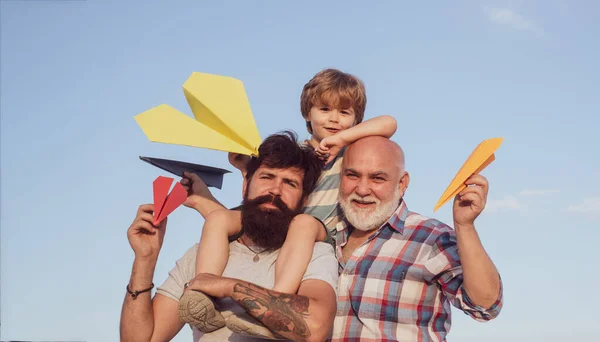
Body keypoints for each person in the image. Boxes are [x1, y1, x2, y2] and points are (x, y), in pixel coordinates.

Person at [179, 69, 397, 333]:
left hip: (318, 230)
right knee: (219, 219)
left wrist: (341, 139)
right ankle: (203, 290)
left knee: (303, 223)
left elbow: (389, 123)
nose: (334, 119)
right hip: (280, 224)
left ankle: (273, 302)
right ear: (308, 112)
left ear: (356, 119)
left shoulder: (349, 151)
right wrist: (246, 168)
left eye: (344, 112)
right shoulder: (298, 152)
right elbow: (269, 189)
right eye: (325, 109)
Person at [120, 132, 339, 341]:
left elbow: (316, 328)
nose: (275, 190)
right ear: (245, 186)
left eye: (290, 183)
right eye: (267, 177)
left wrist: (228, 287)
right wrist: (145, 259)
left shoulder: (313, 254)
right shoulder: (204, 252)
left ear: (304, 200)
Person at [331, 136, 503, 341]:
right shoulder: (326, 236)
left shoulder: (431, 236)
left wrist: (464, 226)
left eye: (377, 178)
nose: (362, 189)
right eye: (352, 175)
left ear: (402, 183)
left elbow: (485, 306)